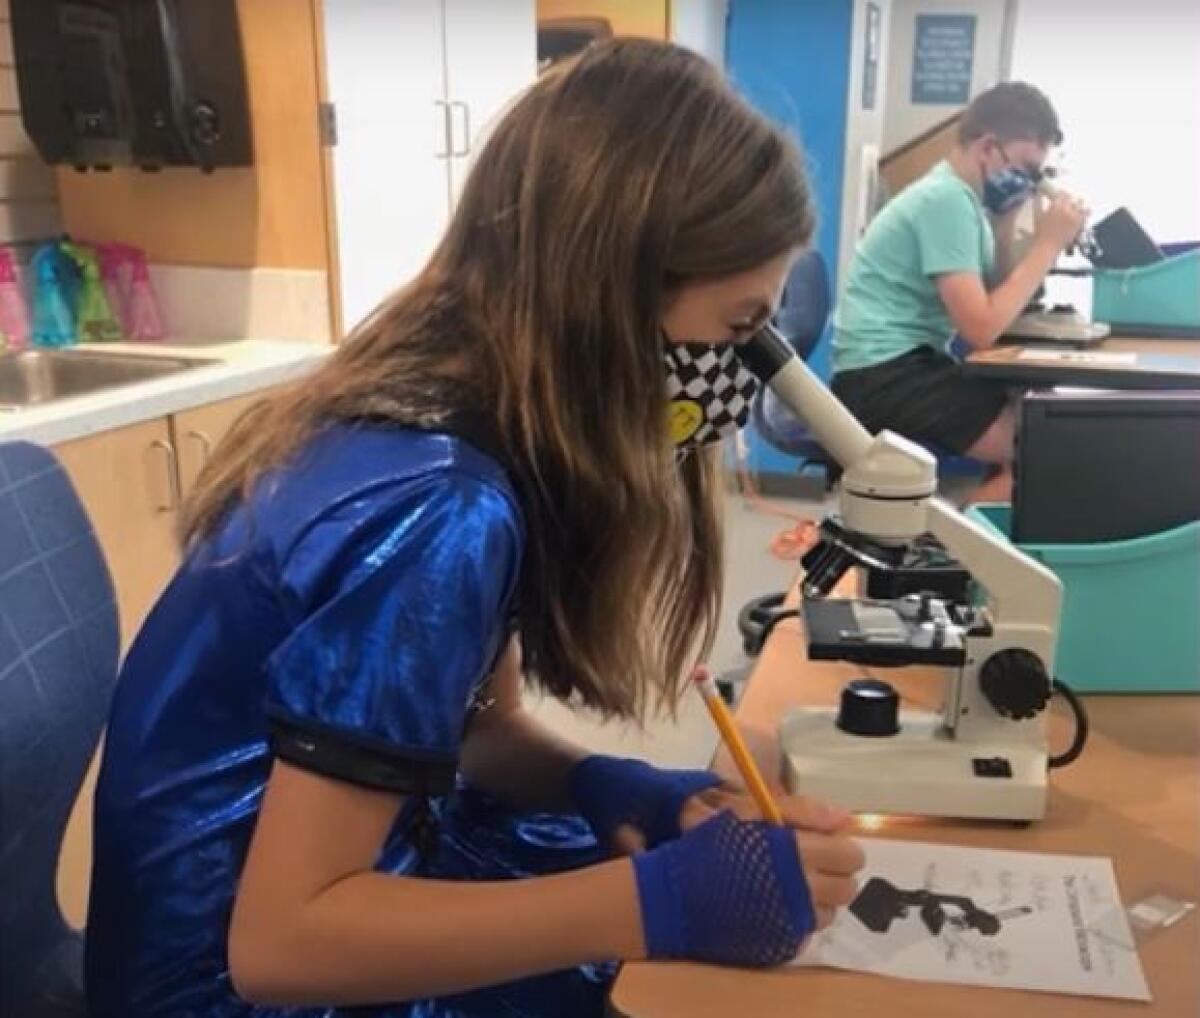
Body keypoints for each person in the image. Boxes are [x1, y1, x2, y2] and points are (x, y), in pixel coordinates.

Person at [85, 39, 865, 1018]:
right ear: (610, 303)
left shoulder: (469, 422)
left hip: (358, 871)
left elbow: (478, 732)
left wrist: (619, 789)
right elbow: (283, 944)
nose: (743, 372)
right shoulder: (437, 505)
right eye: (739, 325)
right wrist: (660, 901)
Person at [830, 82, 1090, 502]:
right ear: (988, 148)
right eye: (1025, 167)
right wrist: (1047, 245)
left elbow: (993, 294)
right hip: (884, 375)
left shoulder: (965, 202)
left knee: (1038, 419)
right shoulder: (945, 201)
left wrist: (1005, 222)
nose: (1029, 181)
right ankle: (950, 551)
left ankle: (966, 539)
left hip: (904, 364)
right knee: (1047, 447)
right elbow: (982, 327)